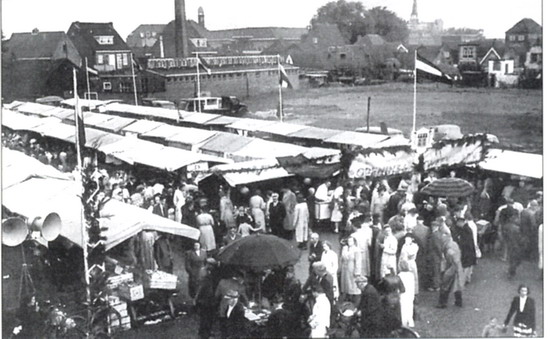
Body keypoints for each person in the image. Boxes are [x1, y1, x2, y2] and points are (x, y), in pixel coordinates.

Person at [436, 233, 465, 308]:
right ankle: (459, 301)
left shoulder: (449, 250)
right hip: (458, 267)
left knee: (445, 285)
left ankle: (442, 303)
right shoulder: (454, 244)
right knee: (457, 285)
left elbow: (451, 260)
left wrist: (445, 270)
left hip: (452, 267)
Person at [194, 259, 218, 339]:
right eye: (211, 265)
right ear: (208, 264)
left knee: (209, 317)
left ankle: (205, 331)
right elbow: (200, 287)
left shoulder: (210, 272)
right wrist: (196, 298)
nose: (212, 267)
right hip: (205, 299)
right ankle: (204, 333)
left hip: (210, 298)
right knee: (205, 317)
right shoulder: (203, 273)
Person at [453, 216, 477, 284]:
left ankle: (465, 279)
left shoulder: (465, 230)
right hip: (470, 251)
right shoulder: (467, 229)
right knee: (468, 266)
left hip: (467, 251)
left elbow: (464, 242)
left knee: (466, 266)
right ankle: (467, 278)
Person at [340, 236, 362, 305]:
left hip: (352, 267)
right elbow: (342, 258)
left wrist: (357, 271)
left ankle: (353, 298)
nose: (350, 243)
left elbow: (358, 261)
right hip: (345, 268)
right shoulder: (344, 248)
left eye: (351, 241)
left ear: (354, 242)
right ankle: (347, 295)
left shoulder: (356, 250)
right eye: (349, 241)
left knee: (352, 283)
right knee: (345, 282)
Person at [351, 213, 372, 278]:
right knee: (364, 267)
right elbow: (369, 244)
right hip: (365, 252)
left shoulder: (353, 235)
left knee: (358, 266)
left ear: (354, 226)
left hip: (357, 253)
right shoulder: (365, 234)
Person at [397, 260, 415, 328]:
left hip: (403, 294)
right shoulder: (411, 275)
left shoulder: (399, 275)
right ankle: (410, 321)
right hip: (410, 292)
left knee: (403, 308)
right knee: (410, 307)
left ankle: (404, 322)